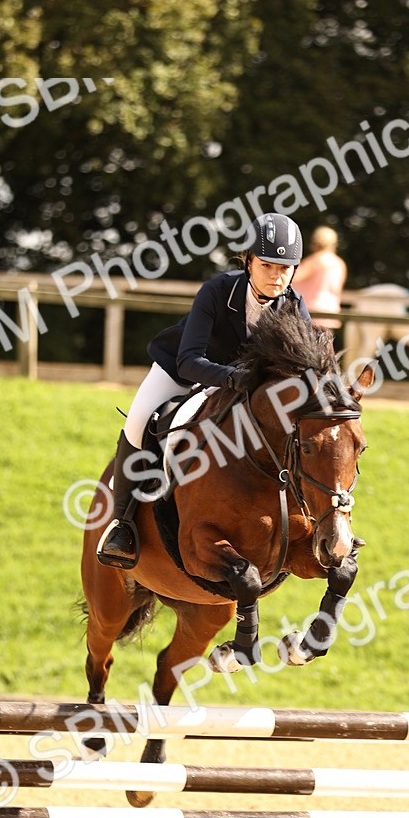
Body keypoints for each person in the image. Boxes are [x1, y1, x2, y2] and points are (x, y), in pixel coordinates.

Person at [96, 211, 310, 569]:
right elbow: (188, 360)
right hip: (183, 370)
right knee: (138, 423)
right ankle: (123, 524)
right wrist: (232, 378)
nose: (277, 276)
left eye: (285, 268)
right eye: (268, 265)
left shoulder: (293, 306)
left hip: (242, 386)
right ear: (249, 261)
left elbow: (302, 368)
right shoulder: (217, 290)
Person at [290, 225, 348, 330]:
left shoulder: (314, 261)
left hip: (310, 312)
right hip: (331, 312)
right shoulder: (340, 264)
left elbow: (291, 279)